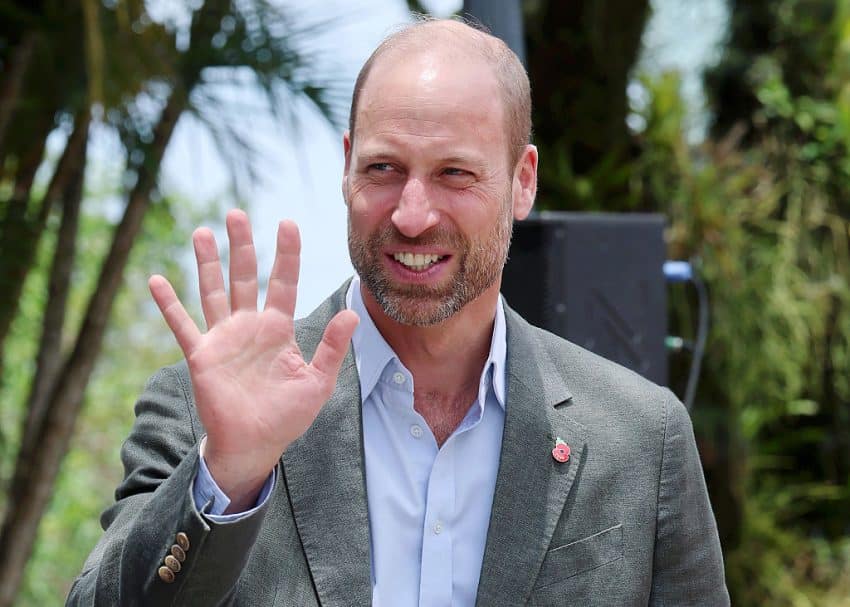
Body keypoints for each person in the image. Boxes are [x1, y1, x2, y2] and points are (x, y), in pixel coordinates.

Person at [67, 17, 729, 607]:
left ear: (523, 180)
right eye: (384, 168)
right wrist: (230, 475)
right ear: (347, 165)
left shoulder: (642, 439)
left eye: (455, 174)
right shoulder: (205, 415)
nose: (412, 214)